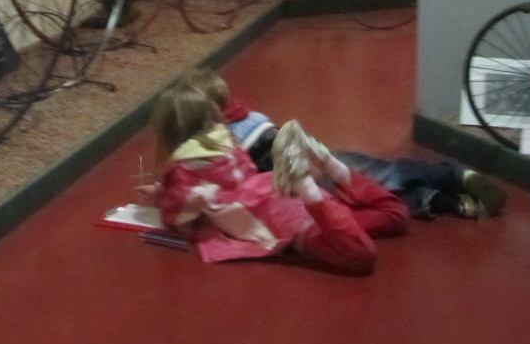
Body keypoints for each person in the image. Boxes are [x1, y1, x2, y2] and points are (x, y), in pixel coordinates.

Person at [147, 85, 409, 272]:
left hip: (288, 222)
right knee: (396, 214)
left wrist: (163, 196)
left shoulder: (181, 167)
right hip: (282, 195)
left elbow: (176, 214)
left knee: (360, 256)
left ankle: (309, 188)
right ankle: (333, 167)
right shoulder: (228, 141)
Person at [187, 70, 506, 220]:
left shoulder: (225, 135)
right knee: (365, 193)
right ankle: (439, 197)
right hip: (305, 168)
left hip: (303, 167)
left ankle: (451, 176)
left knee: (375, 179)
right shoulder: (244, 115)